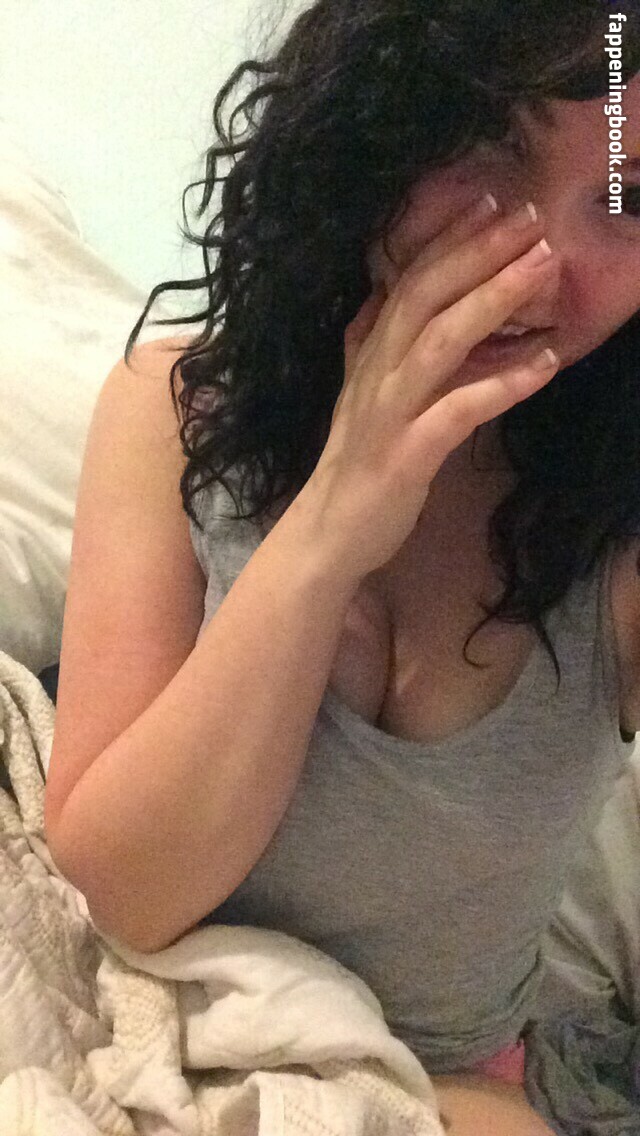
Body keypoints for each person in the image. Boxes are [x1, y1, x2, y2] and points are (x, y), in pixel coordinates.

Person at [44, 0, 640, 1129]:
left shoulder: (615, 531)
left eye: (633, 197)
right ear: (380, 122)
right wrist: (330, 527)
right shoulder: (171, 416)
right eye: (493, 141)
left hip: (451, 1092)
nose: (542, 263)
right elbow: (123, 893)